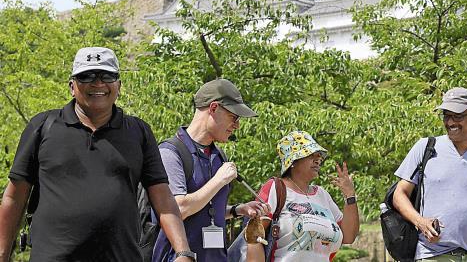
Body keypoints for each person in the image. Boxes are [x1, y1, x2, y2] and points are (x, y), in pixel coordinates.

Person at [0, 47, 197, 262]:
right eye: (87, 76)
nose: (98, 83)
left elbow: (163, 198)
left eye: (107, 75)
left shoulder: (138, 132)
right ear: (72, 86)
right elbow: (14, 196)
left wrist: (183, 252)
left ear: (119, 86)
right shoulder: (42, 126)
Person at [152, 78, 269, 262]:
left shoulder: (218, 156)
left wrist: (238, 210)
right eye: (234, 117)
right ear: (213, 108)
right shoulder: (170, 153)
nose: (237, 125)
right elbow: (178, 209)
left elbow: (206, 211)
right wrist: (219, 180)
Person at [392, 87, 467, 262]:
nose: (450, 122)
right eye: (446, 116)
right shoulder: (426, 147)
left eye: (457, 116)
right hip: (432, 254)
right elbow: (399, 194)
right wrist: (420, 221)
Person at [245, 130, 360, 262]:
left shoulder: (322, 195)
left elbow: (348, 236)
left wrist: (350, 196)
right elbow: (254, 237)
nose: (318, 160)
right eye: (311, 155)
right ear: (292, 161)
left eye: (319, 156)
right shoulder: (276, 188)